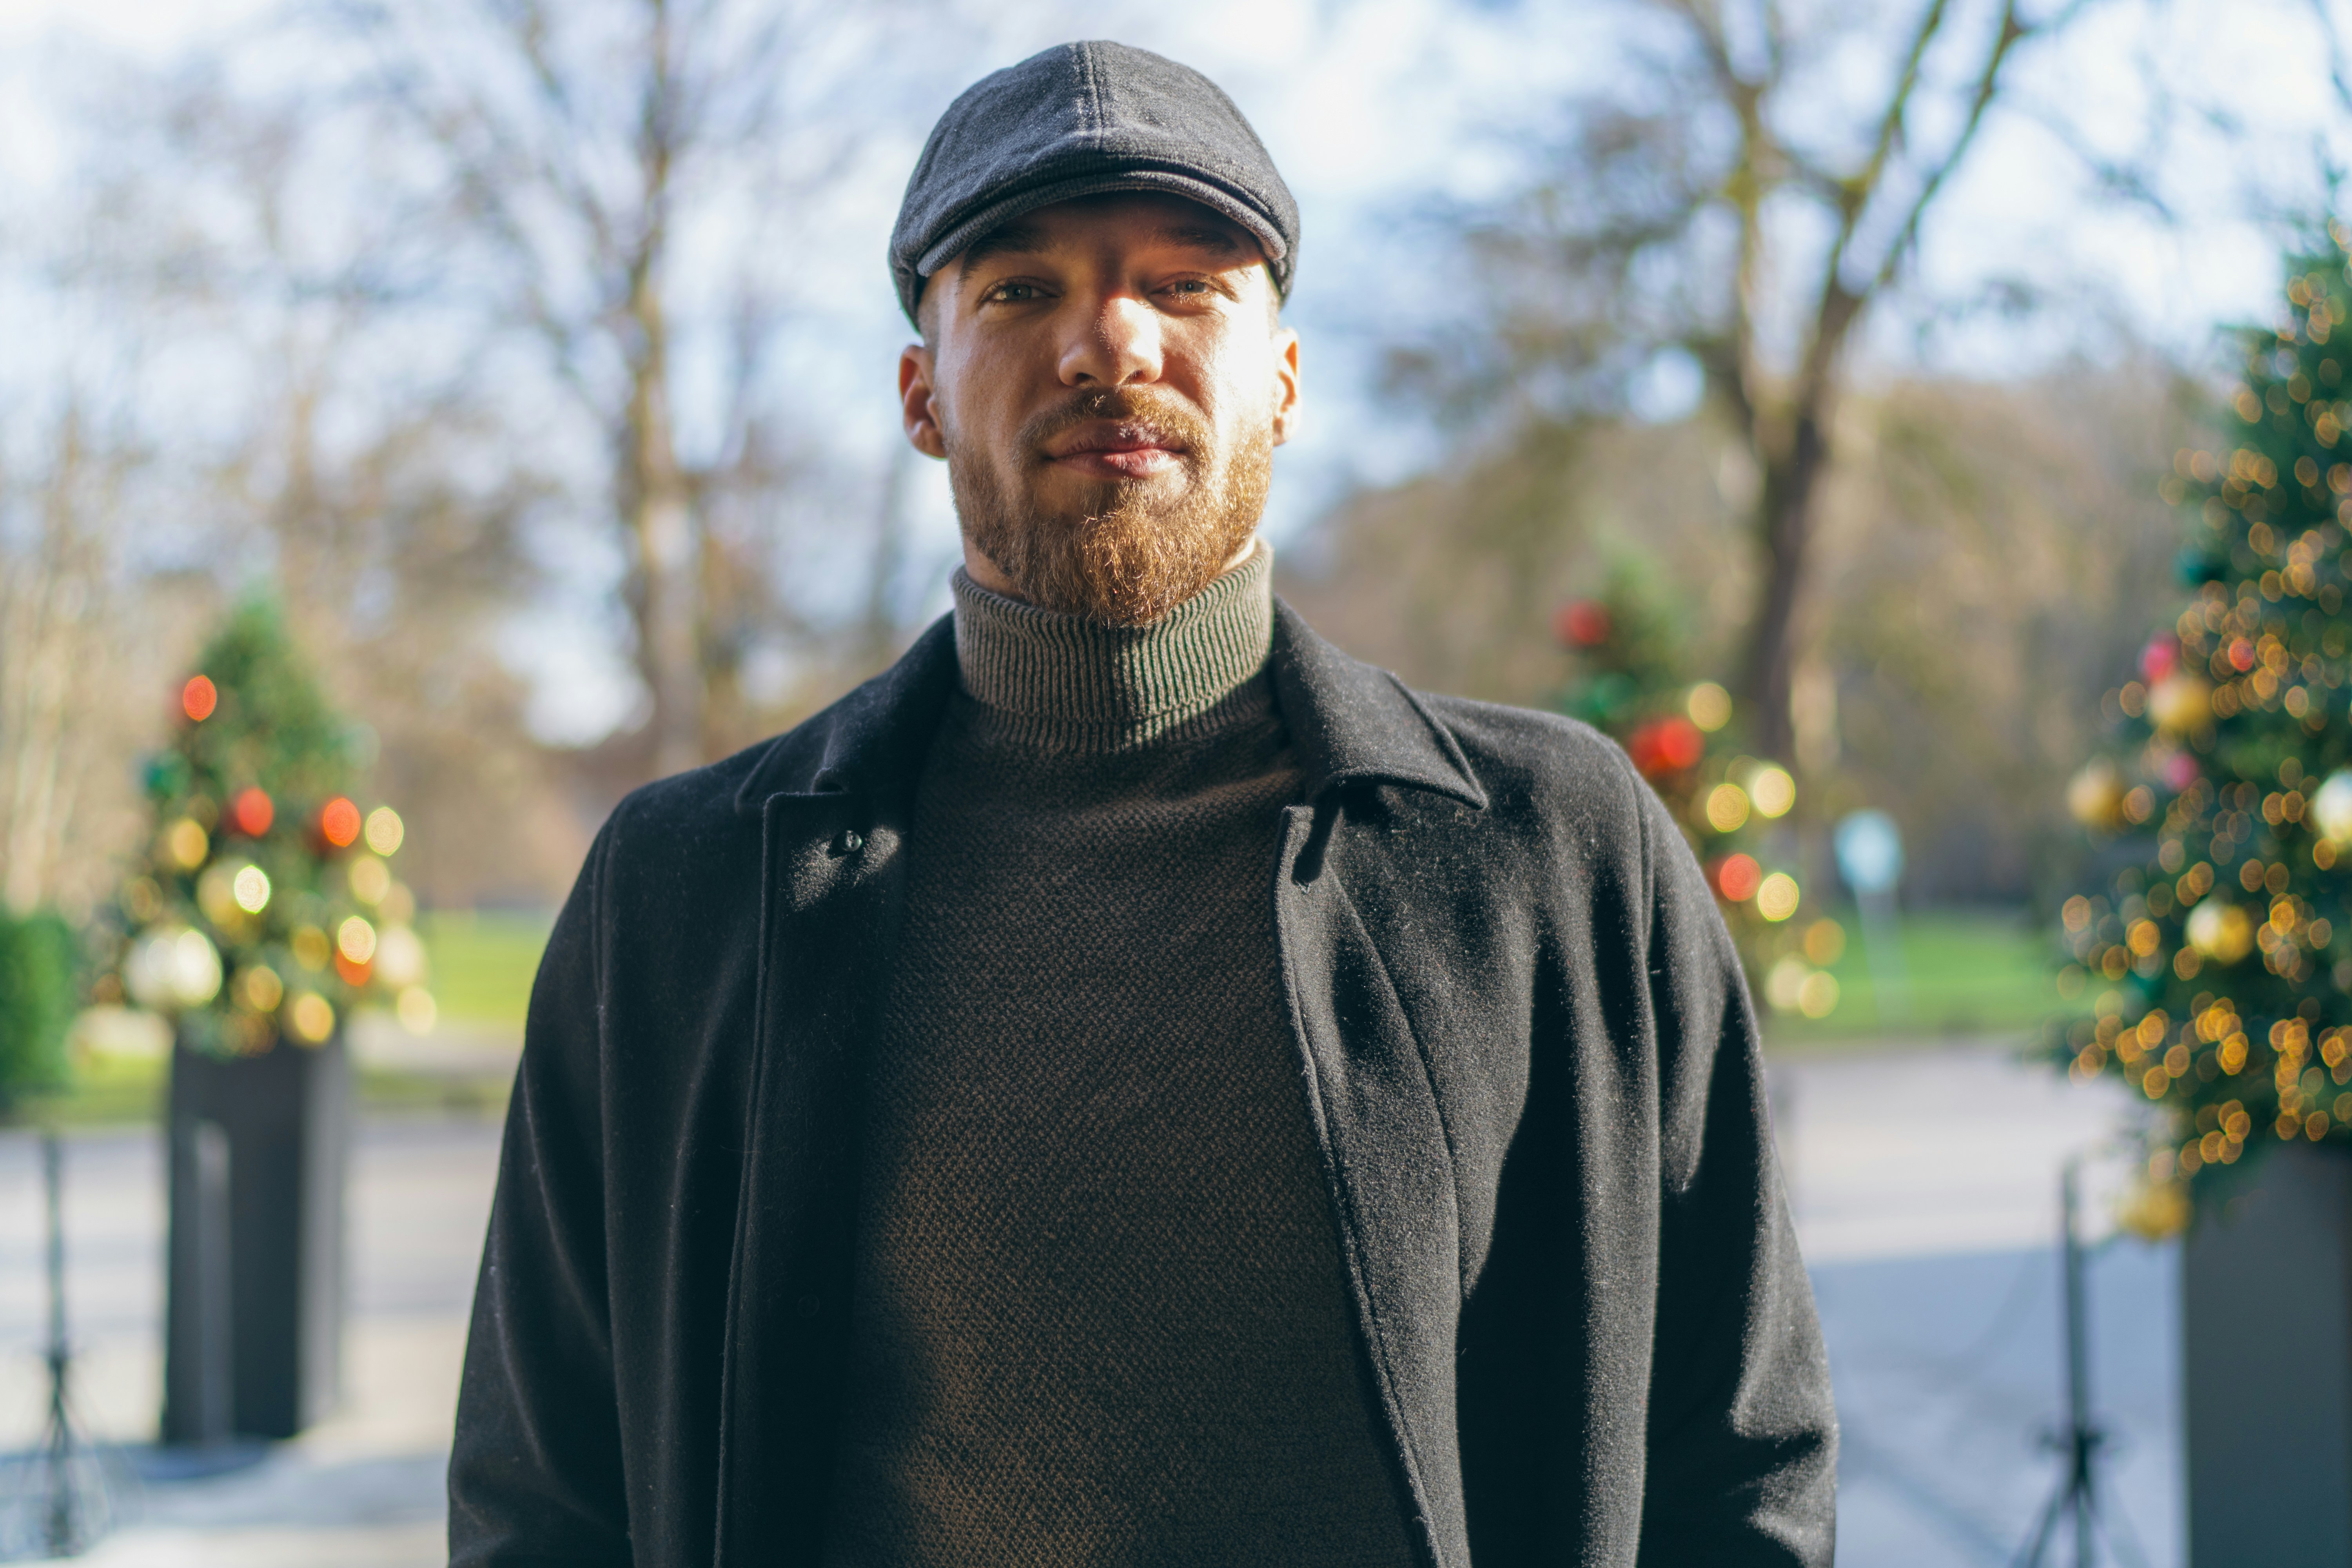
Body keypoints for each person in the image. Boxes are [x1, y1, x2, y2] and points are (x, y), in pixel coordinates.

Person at [448, 39, 1837, 1568]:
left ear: (1287, 382)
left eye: (1188, 286)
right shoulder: (685, 898)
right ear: (921, 394)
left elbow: (1746, 1464)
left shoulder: (1554, 859)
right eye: (1019, 290)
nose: (1109, 341)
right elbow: (542, 1502)